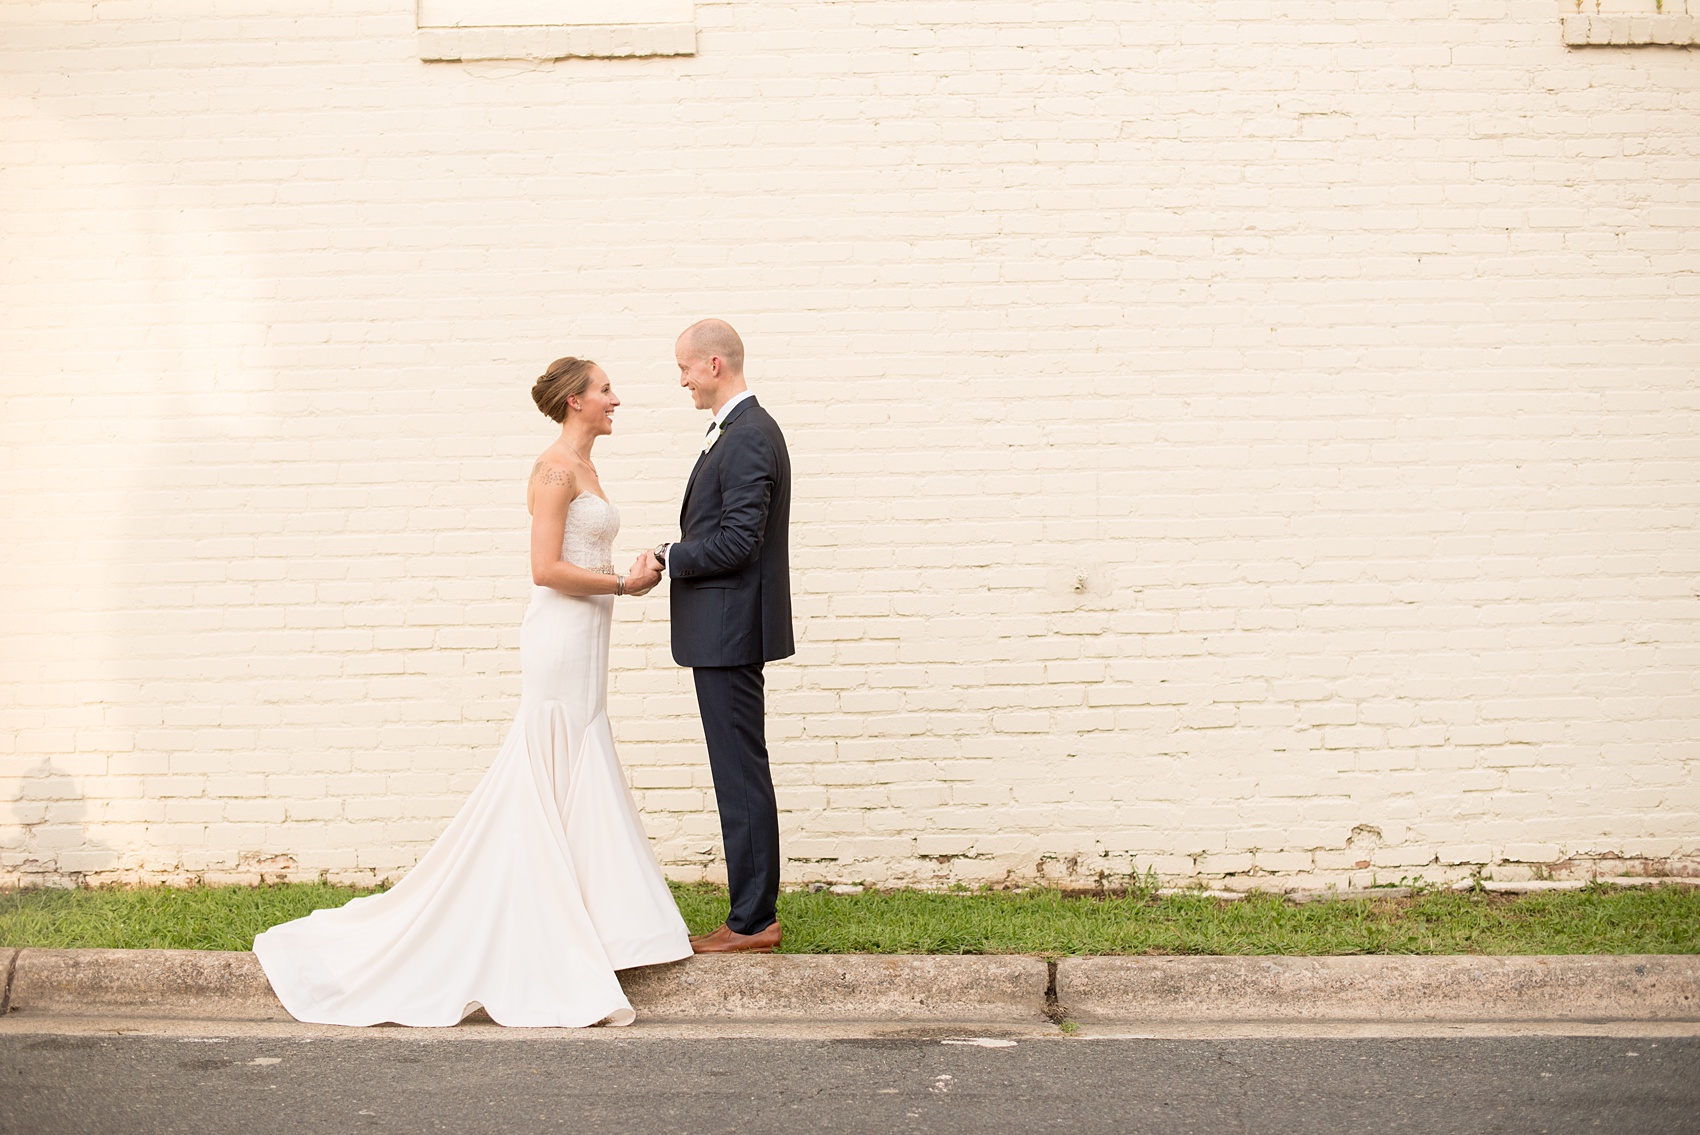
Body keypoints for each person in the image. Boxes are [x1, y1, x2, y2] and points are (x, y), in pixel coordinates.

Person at [253, 357, 689, 1027]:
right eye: (606, 391)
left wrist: (623, 574)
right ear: (575, 401)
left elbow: (584, 554)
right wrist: (624, 585)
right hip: (560, 639)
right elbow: (544, 568)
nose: (616, 400)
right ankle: (546, 934)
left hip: (587, 638)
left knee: (577, 765)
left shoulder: (587, 469)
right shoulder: (552, 470)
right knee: (546, 771)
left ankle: (594, 922)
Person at [631, 319, 794, 954]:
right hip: (723, 629)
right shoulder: (737, 431)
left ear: (715, 365)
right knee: (738, 771)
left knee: (739, 774)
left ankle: (753, 921)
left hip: (729, 631)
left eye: (686, 368)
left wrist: (669, 554)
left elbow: (736, 542)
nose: (683, 381)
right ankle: (751, 914)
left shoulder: (750, 434)